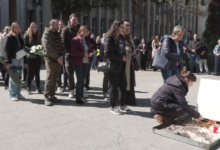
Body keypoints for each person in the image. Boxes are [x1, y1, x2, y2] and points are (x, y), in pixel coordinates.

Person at [104, 20, 131, 115]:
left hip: (121, 65)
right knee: (113, 87)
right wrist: (120, 57)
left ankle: (122, 105)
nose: (123, 29)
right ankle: (113, 106)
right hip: (113, 66)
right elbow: (107, 53)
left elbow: (122, 50)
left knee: (123, 86)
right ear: (116, 27)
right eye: (121, 27)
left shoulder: (122, 38)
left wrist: (125, 55)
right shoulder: (109, 38)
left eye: (124, 28)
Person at [41, 19, 64, 106]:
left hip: (58, 59)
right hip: (50, 59)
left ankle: (52, 95)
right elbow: (48, 47)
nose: (58, 26)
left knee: (55, 78)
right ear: (51, 24)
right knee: (50, 78)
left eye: (58, 24)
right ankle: (46, 97)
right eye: (56, 25)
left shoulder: (57, 33)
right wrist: (58, 57)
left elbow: (61, 46)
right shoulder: (47, 33)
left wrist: (61, 56)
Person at [70, 25, 93, 104]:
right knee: (80, 80)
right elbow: (73, 51)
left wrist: (90, 53)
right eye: (84, 31)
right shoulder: (75, 40)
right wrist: (83, 54)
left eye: (87, 31)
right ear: (80, 31)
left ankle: (81, 96)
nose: (86, 32)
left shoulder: (87, 40)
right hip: (78, 62)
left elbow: (89, 49)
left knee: (83, 80)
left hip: (86, 62)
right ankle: (78, 98)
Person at [5, 22, 28, 101]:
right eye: (16, 27)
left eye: (19, 27)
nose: (18, 28)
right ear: (12, 28)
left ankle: (18, 93)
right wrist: (8, 61)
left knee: (19, 77)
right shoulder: (10, 37)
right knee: (13, 77)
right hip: (13, 59)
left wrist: (25, 61)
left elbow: (23, 49)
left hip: (20, 59)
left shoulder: (20, 37)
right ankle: (12, 94)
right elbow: (7, 50)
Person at [61, 13, 80, 98]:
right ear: (69, 20)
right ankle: (71, 90)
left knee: (80, 74)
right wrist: (71, 52)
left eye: (76, 19)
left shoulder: (80, 29)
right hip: (69, 56)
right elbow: (63, 43)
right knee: (70, 74)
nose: (75, 21)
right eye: (73, 19)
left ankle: (80, 90)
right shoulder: (65, 30)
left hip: (79, 56)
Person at [24, 22, 42, 95]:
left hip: (38, 57)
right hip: (30, 57)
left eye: (36, 27)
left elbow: (41, 45)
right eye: (33, 27)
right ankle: (28, 88)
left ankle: (38, 88)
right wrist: (32, 50)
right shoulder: (27, 36)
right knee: (30, 73)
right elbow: (24, 47)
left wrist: (39, 50)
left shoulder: (39, 36)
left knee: (37, 73)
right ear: (31, 28)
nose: (35, 28)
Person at [123, 21, 137, 106]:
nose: (127, 31)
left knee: (130, 82)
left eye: (129, 29)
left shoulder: (129, 39)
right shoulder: (120, 38)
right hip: (123, 63)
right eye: (126, 29)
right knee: (125, 82)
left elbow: (131, 49)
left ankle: (130, 99)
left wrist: (133, 52)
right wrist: (131, 53)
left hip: (129, 63)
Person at [57, 20, 68, 93]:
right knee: (59, 71)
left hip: (65, 54)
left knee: (65, 71)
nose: (59, 26)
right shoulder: (56, 33)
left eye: (61, 24)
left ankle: (66, 85)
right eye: (58, 24)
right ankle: (59, 86)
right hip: (58, 55)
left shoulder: (66, 33)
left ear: (64, 25)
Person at [0, 26, 10, 90]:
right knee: (3, 68)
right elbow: (1, 48)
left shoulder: (9, 36)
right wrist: (1, 56)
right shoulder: (2, 37)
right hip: (2, 55)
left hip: (7, 55)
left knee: (6, 69)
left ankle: (6, 82)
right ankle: (5, 80)